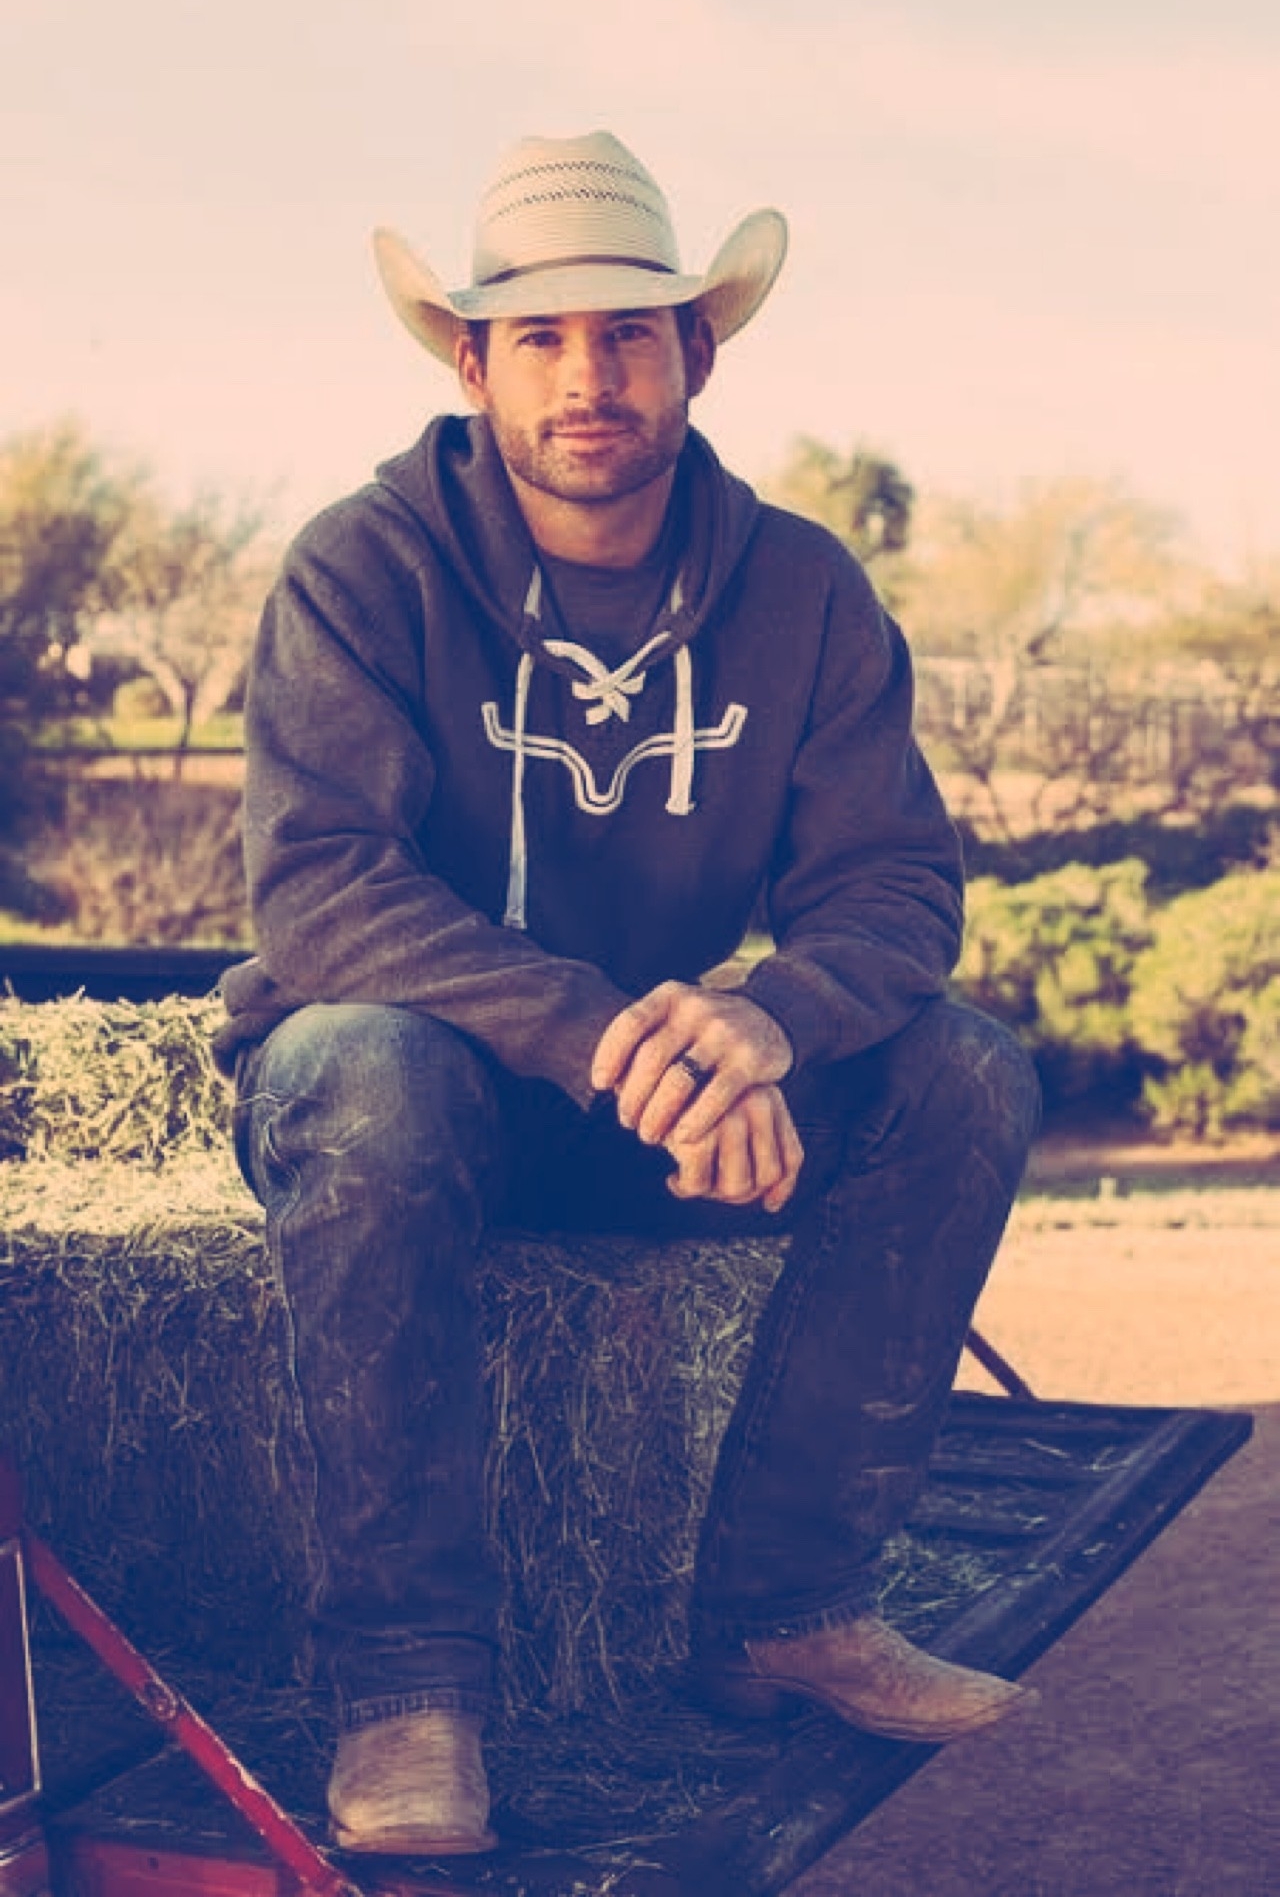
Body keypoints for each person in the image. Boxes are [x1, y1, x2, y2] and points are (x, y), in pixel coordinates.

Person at [216, 130, 1042, 1859]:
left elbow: (895, 882)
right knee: (364, 1063)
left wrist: (769, 1020)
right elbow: (322, 887)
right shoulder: (363, 566)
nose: (587, 379)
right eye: (541, 337)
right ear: (471, 363)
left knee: (962, 1073)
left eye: (630, 335)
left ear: (698, 356)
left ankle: (788, 1611)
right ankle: (409, 1692)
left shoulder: (803, 589)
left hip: (672, 1113)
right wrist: (607, 1037)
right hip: (423, 1100)